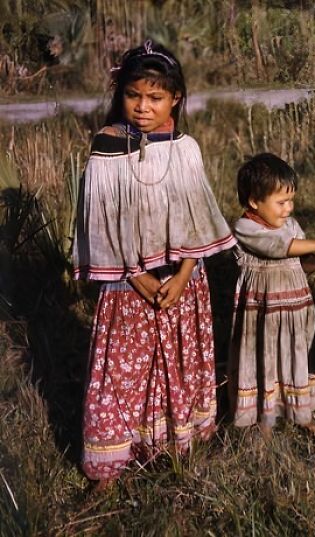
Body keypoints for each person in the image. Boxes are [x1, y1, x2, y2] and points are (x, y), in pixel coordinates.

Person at [72, 40, 235, 488]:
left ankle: (172, 447)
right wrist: (136, 274)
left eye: (155, 97)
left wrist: (183, 274)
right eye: (133, 95)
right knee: (121, 373)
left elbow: (196, 218)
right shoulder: (107, 145)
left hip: (182, 282)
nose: (143, 107)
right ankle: (110, 461)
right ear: (120, 94)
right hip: (128, 284)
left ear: (176, 99)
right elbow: (100, 221)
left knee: (178, 364)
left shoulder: (186, 149)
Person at [227, 153, 315, 441]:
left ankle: (302, 415)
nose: (288, 209)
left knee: (297, 357)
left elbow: (299, 265)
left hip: (295, 309)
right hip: (263, 313)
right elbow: (280, 247)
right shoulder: (246, 228)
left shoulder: (291, 225)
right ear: (254, 202)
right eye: (281, 202)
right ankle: (266, 422)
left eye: (291, 201)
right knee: (266, 360)